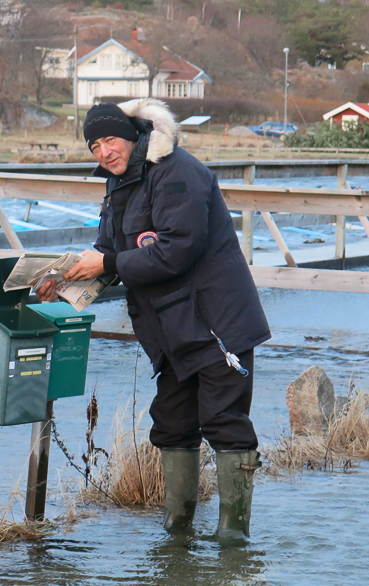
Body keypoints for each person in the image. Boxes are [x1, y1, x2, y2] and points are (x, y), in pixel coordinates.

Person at [37, 99, 271, 542]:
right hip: (171, 332)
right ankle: (177, 532)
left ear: (132, 135)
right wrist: (62, 282)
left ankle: (233, 538)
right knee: (172, 424)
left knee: (225, 424)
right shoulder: (120, 184)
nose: (103, 152)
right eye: (93, 146)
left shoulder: (177, 171)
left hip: (216, 325)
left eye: (109, 140)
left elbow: (177, 249)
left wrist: (105, 262)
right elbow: (110, 256)